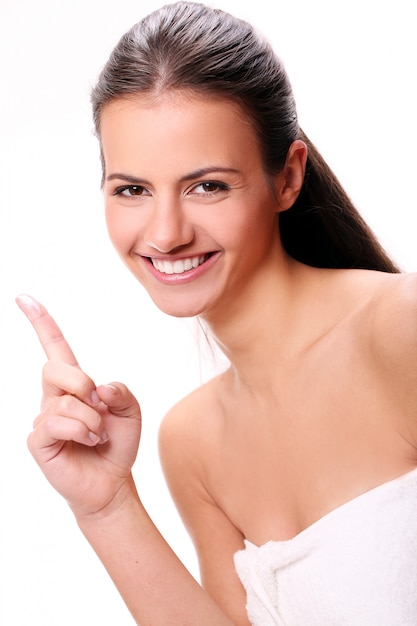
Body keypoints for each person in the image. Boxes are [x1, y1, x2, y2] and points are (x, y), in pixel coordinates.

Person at [16, 1, 417, 624]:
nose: (167, 233)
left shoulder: (400, 328)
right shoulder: (192, 442)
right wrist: (106, 507)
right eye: (132, 190)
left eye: (207, 185)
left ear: (288, 177)